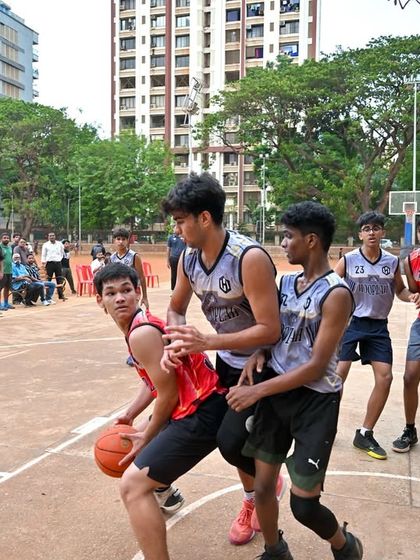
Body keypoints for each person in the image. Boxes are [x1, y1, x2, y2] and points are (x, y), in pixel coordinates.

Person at [227, 201, 362, 560]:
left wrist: (256, 390)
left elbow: (317, 366)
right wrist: (260, 352)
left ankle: (344, 545)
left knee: (304, 506)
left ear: (312, 240)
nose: (283, 243)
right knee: (263, 487)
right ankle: (276, 550)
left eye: (288, 236)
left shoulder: (336, 294)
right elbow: (274, 332)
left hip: (315, 401)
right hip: (278, 394)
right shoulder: (285, 283)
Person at [161, 172, 283, 546]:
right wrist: (176, 338)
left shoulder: (248, 258)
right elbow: (175, 308)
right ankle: (253, 497)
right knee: (232, 441)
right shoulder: (188, 259)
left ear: (204, 218)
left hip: (265, 363)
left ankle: (265, 488)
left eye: (180, 220)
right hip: (229, 362)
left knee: (232, 441)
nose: (176, 229)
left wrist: (207, 341)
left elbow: (271, 329)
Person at [93, 263, 228, 560]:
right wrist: (131, 415)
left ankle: (160, 490)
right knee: (133, 438)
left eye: (126, 290)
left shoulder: (141, 334)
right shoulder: (140, 325)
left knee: (132, 485)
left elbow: (169, 395)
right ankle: (165, 491)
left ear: (138, 293)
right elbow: (155, 382)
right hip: (198, 403)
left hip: (202, 411)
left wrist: (147, 436)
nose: (120, 298)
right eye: (111, 293)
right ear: (100, 301)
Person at [335, 211, 419, 460]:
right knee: (338, 377)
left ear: (383, 232)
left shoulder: (391, 262)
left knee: (385, 377)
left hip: (378, 326)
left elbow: (400, 291)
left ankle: (365, 433)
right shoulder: (348, 260)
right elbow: (329, 286)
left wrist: (412, 296)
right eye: (367, 228)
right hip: (351, 323)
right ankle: (325, 425)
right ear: (360, 234)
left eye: (376, 228)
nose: (371, 232)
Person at [392, 222, 420, 453]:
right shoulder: (411, 261)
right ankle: (410, 430)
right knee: (410, 377)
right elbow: (413, 291)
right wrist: (414, 296)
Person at [110, 228, 148, 310]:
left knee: (132, 312)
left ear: (127, 241)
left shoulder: (134, 256)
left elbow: (141, 277)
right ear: (114, 241)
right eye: (118, 239)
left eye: (123, 239)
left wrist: (145, 296)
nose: (121, 242)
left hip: (132, 291)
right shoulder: (112, 258)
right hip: (119, 292)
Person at [41, 232, 66, 301]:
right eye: (50, 236)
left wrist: (59, 259)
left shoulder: (59, 244)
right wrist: (43, 262)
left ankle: (61, 295)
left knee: (59, 279)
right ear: (48, 237)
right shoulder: (45, 245)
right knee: (48, 279)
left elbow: (62, 253)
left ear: (55, 236)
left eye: (53, 236)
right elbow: (43, 255)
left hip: (58, 263)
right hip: (49, 264)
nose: (52, 237)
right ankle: (48, 296)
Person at [0, 233, 14, 311]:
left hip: (9, 271)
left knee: (7, 288)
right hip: (2, 272)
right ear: (1, 239)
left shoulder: (9, 247)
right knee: (0, 288)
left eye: (7, 238)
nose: (6, 239)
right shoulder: (0, 247)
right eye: (4, 238)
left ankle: (6, 303)